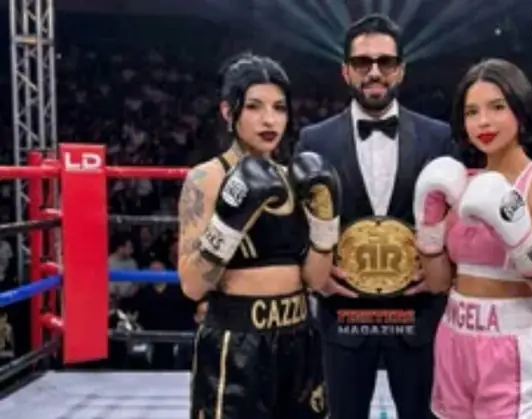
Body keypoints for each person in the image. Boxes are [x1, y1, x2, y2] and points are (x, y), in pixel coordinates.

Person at [296, 14, 455, 419]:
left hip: (417, 313)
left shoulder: (438, 136)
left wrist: (440, 269)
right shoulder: (314, 140)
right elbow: (300, 219)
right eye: (362, 62)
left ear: (400, 69)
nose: (374, 72)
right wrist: (318, 274)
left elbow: (454, 215)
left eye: (385, 61)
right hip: (344, 310)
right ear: (346, 71)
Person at [177, 52, 337, 419]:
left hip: (299, 335)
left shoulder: (296, 179)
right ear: (228, 111)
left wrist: (326, 225)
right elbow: (192, 286)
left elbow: (315, 279)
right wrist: (230, 222)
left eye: (279, 108)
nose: (269, 119)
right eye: (254, 106)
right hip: (237, 342)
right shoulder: (206, 179)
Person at [414, 58, 532, 419]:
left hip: (511, 347)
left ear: (520, 109)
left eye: (497, 107)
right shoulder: (459, 184)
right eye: (472, 112)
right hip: (453, 338)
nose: (483, 122)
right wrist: (429, 228)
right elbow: (438, 282)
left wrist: (521, 238)